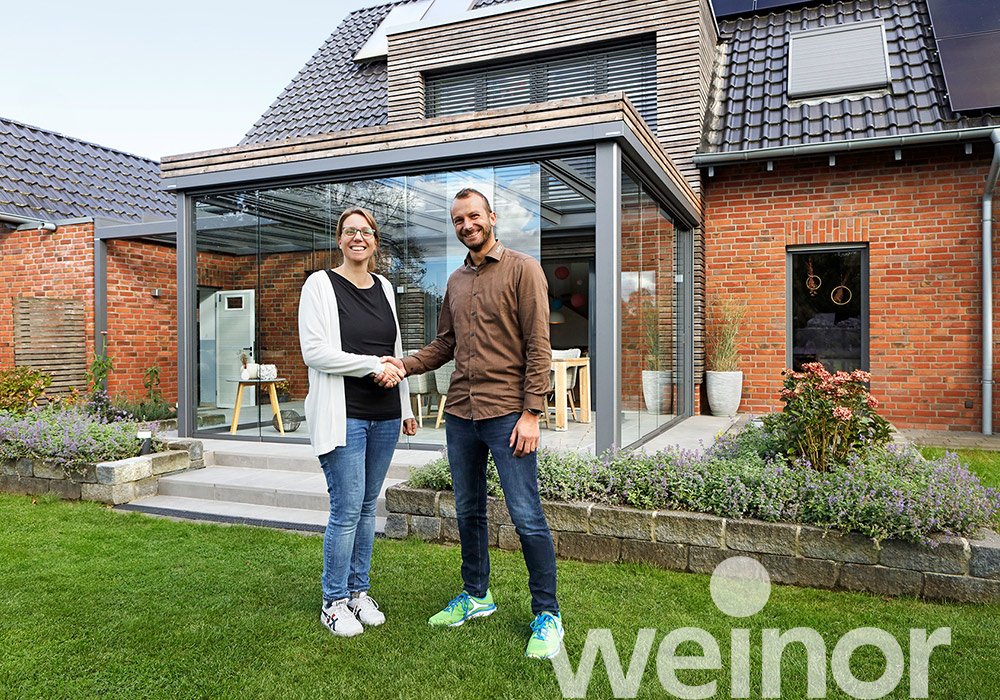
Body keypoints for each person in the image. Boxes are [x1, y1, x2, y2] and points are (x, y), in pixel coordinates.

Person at [382, 188, 563, 660]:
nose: (467, 225)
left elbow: (538, 345)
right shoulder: (455, 282)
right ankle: (477, 596)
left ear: (492, 217)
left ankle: (548, 614)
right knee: (468, 512)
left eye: (473, 216)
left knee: (527, 517)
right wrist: (405, 365)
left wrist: (531, 413)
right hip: (461, 413)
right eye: (458, 219)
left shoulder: (524, 269)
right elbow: (445, 344)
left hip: (508, 414)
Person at [298, 206, 417, 637]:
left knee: (369, 508)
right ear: (339, 239)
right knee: (347, 509)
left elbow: (395, 349)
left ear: (375, 241)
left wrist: (404, 407)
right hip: (343, 414)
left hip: (384, 415)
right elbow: (315, 352)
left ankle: (357, 592)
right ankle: (333, 601)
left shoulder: (384, 285)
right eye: (350, 232)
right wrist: (370, 366)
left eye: (365, 232)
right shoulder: (320, 285)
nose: (357, 238)